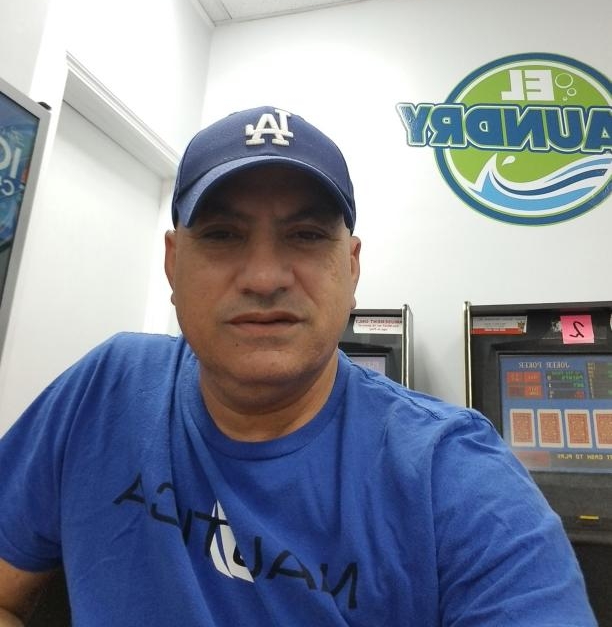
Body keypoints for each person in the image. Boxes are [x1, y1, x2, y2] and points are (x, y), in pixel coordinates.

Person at [0, 105, 596, 626]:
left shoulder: (456, 478)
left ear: (352, 268)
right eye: (223, 234)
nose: (264, 278)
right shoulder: (105, 389)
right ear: (172, 262)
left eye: (307, 235)